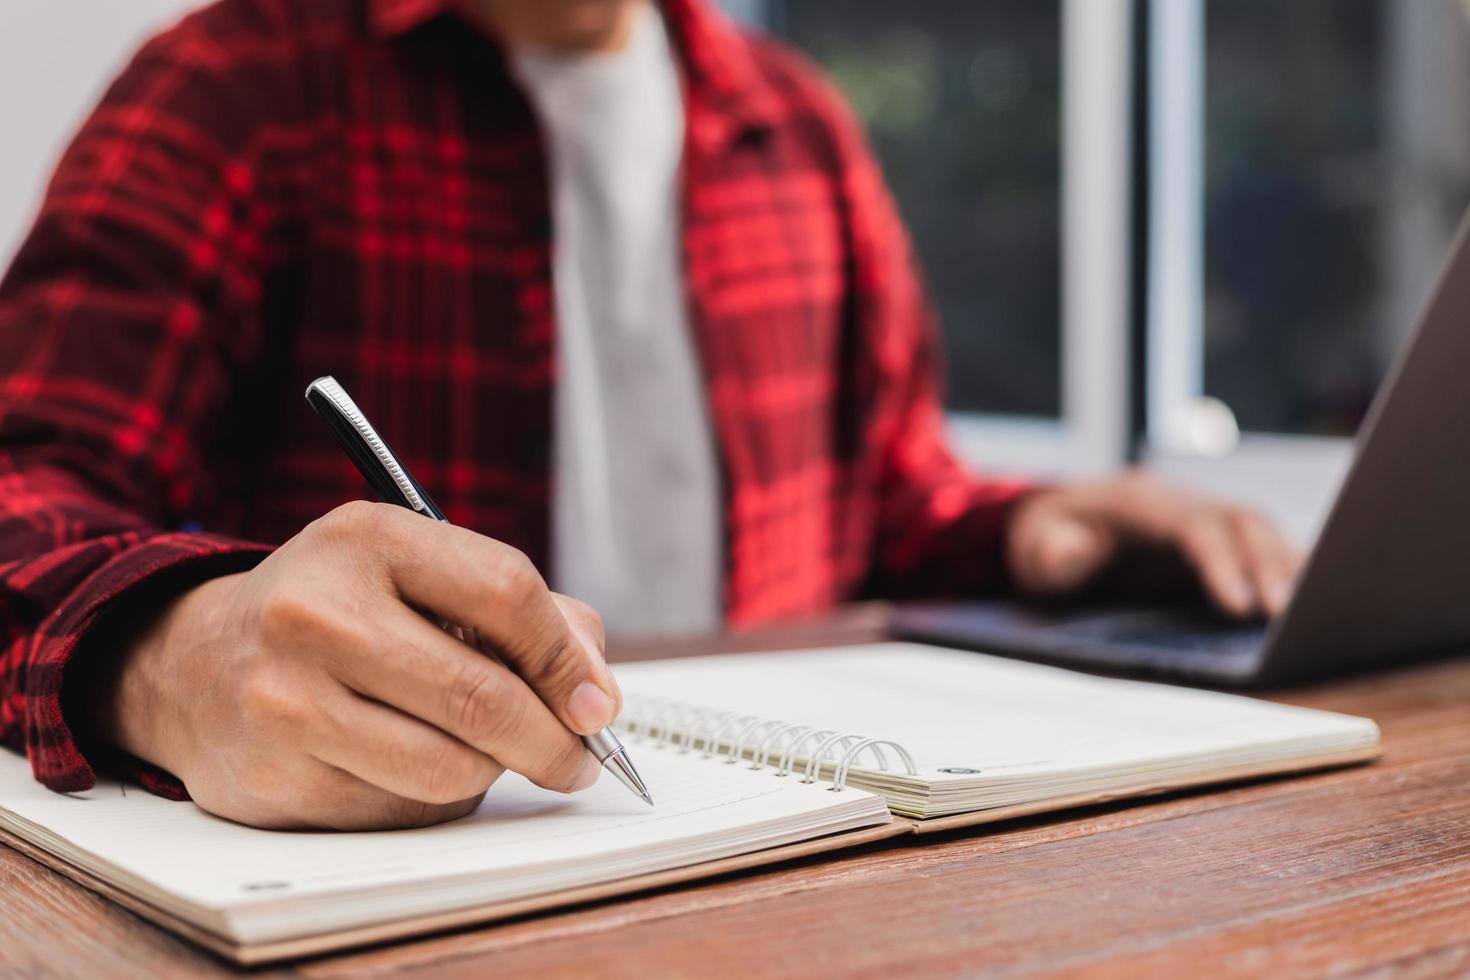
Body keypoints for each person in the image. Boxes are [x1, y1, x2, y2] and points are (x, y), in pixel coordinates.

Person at [0, 0, 1300, 831]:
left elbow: (887, 498)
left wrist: (1035, 532)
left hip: (787, 880)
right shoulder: (232, 89)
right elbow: (22, 482)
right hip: (426, 887)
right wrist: (171, 654)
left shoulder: (797, 127)